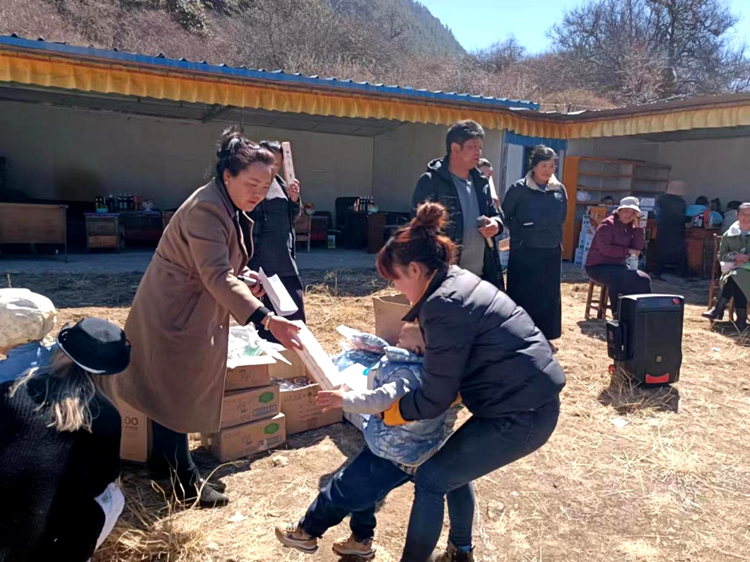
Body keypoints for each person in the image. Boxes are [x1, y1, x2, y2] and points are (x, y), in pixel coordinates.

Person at [103, 128, 302, 508]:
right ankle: (183, 481)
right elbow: (215, 274)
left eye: (265, 186)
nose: (259, 194)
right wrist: (265, 318)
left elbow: (219, 266)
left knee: (169, 390)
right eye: (252, 184)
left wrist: (243, 278)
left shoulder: (226, 204)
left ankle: (165, 469)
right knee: (174, 391)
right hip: (174, 310)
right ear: (228, 176)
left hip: (189, 306)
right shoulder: (207, 208)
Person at [377, 202, 565, 562]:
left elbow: (435, 396)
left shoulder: (443, 304)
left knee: (431, 479)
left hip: (522, 412)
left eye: (395, 279)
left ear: (414, 269)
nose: (396, 289)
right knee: (451, 469)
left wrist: (392, 410)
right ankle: (460, 552)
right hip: (522, 397)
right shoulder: (455, 280)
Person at [275, 325, 457, 559]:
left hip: (391, 453)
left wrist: (344, 400)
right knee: (365, 493)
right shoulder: (436, 374)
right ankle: (360, 541)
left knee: (342, 489)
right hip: (405, 449)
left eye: (400, 342)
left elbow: (380, 400)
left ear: (416, 350)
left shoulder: (407, 374)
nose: (396, 344)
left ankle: (305, 532)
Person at [0, 300, 131, 562]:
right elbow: (99, 481)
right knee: (113, 495)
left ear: (60, 348)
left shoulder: (10, 390)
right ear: (111, 372)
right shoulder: (105, 416)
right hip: (47, 551)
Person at [411, 120, 505, 291]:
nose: (478, 152)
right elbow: (418, 230)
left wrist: (495, 224)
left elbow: (497, 215)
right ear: (455, 148)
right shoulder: (432, 182)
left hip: (480, 278)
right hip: (444, 279)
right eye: (472, 147)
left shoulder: (481, 183)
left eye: (480, 147)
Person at [502, 145, 568, 346]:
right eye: (544, 165)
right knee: (524, 293)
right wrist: (521, 231)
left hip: (550, 249)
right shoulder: (519, 188)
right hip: (525, 249)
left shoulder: (559, 189)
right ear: (534, 166)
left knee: (548, 296)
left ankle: (544, 337)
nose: (548, 170)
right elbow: (505, 215)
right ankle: (519, 336)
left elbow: (563, 215)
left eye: (552, 166)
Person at [244, 140, 306, 341]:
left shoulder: (281, 184)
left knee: (296, 317)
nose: (273, 168)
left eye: (278, 164)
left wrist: (294, 200)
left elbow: (292, 217)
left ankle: (295, 356)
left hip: (285, 260)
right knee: (266, 323)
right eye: (270, 162)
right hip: (261, 263)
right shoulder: (252, 186)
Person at [585, 197, 652, 313]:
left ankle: (643, 313)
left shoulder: (630, 227)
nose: (629, 215)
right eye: (626, 211)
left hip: (618, 265)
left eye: (632, 212)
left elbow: (638, 247)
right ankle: (618, 314)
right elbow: (605, 249)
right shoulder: (607, 225)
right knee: (618, 279)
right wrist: (627, 251)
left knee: (644, 279)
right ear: (619, 211)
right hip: (597, 266)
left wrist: (637, 227)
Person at [703, 202, 750, 331]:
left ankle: (719, 309)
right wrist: (734, 255)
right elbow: (721, 255)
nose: (746, 218)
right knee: (736, 276)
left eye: (749, 215)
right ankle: (741, 320)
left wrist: (747, 257)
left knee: (737, 276)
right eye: (743, 214)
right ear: (737, 215)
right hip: (731, 271)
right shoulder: (729, 235)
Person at [653, 180, 688, 278]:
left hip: (663, 228)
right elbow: (682, 216)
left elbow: (656, 213)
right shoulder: (681, 202)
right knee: (680, 251)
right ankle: (681, 272)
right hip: (677, 229)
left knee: (661, 250)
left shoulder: (660, 199)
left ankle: (657, 271)